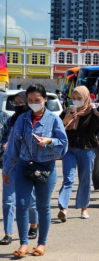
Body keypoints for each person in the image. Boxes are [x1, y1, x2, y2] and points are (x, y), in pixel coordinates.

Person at [2, 84, 68, 257]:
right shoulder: (21, 119)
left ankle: (41, 244)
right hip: (23, 166)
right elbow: (12, 148)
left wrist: (49, 141)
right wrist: (6, 169)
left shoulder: (54, 120)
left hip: (46, 168)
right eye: (30, 100)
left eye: (37, 100)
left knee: (42, 206)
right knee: (22, 205)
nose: (33, 103)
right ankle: (24, 244)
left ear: (45, 99)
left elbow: (64, 146)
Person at [58, 86, 99, 222]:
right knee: (68, 178)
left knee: (85, 179)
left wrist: (93, 108)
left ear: (86, 98)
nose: (76, 101)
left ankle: (84, 207)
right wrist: (67, 118)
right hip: (70, 149)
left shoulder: (92, 112)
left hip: (86, 148)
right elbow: (58, 127)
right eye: (73, 98)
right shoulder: (67, 111)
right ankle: (63, 208)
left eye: (80, 98)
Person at [0, 92, 38, 245]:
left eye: (21, 102)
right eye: (15, 103)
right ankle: (8, 232)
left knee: (31, 200)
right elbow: (2, 137)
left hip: (27, 165)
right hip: (10, 164)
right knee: (8, 201)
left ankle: (34, 224)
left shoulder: (33, 121)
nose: (18, 105)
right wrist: (3, 146)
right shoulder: (10, 121)